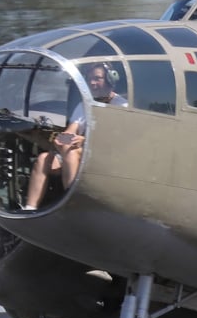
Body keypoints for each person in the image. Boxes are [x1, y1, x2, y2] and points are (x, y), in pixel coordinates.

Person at [24, 61, 127, 209]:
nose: (92, 82)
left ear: (110, 80)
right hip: (79, 155)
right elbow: (69, 132)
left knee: (71, 152)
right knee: (43, 159)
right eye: (90, 78)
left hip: (105, 159)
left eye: (97, 78)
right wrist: (62, 139)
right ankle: (30, 208)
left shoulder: (121, 106)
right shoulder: (84, 105)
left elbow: (118, 140)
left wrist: (84, 141)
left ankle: (72, 207)